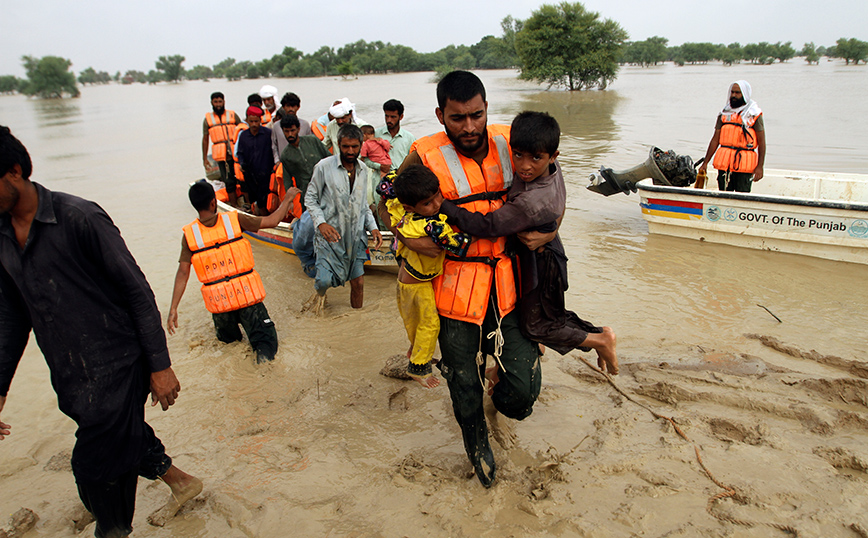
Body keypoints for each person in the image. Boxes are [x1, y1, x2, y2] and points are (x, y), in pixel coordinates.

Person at [0, 126, 202, 538]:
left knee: (95, 469)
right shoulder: (2, 237)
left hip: (119, 363)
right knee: (119, 440)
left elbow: (137, 292)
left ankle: (112, 528)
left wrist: (160, 367)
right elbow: (12, 317)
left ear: (14, 172)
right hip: (71, 374)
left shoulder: (79, 218)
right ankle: (180, 483)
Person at [379, 71, 554, 488]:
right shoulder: (423, 154)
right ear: (441, 114)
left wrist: (552, 229)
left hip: (508, 284)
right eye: (458, 118)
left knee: (525, 392)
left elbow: (553, 184)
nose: (470, 127)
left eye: (476, 115)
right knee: (462, 385)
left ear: (487, 108)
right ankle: (477, 447)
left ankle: (501, 399)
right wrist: (406, 236)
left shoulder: (511, 142)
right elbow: (385, 204)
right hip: (453, 290)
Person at [438, 111, 618, 375]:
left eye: (536, 158)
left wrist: (442, 205)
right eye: (518, 154)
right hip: (541, 250)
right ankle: (594, 336)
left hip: (544, 262)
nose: (524, 166)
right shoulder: (550, 169)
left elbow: (487, 226)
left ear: (552, 156)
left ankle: (599, 339)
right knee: (541, 314)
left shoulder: (532, 200)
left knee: (537, 325)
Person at [167, 180, 298, 364]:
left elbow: (183, 272)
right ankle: (262, 374)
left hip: (221, 307)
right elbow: (272, 221)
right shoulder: (234, 219)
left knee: (230, 348)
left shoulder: (190, 235)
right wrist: (288, 198)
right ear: (214, 202)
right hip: (246, 298)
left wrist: (173, 308)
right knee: (265, 345)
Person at [385, 165, 471, 388]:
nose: (436, 205)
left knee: (415, 322)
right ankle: (419, 368)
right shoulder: (432, 226)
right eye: (427, 203)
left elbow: (386, 190)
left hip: (406, 282)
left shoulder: (405, 215)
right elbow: (458, 246)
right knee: (430, 323)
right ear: (410, 205)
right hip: (418, 284)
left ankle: (416, 351)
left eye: (437, 197)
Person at [304, 124, 382, 314]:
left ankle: (357, 321)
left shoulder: (363, 170)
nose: (350, 151)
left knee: (359, 282)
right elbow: (310, 198)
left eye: (354, 147)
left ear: (361, 145)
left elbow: (363, 204)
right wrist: (321, 223)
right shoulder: (323, 167)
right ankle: (318, 300)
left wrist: (373, 228)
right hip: (330, 236)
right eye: (345, 146)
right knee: (323, 282)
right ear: (338, 144)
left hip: (355, 237)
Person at [699, 80, 766, 193]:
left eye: (738, 93)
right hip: (725, 165)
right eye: (732, 92)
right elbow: (715, 139)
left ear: (745, 94)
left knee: (742, 195)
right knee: (724, 193)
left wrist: (760, 166)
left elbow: (762, 142)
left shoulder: (754, 114)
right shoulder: (724, 114)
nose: (734, 95)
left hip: (744, 164)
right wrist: (705, 162)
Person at [202, 91, 242, 206]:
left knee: (242, 178)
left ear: (224, 101)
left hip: (236, 153)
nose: (218, 104)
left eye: (220, 101)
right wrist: (204, 159)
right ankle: (234, 205)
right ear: (212, 103)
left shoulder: (232, 115)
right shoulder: (208, 119)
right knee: (228, 181)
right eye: (216, 102)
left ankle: (246, 203)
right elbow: (205, 139)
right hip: (222, 157)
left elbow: (242, 130)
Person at [235, 106, 274, 214]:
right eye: (251, 121)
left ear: (260, 120)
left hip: (266, 173)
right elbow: (240, 153)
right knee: (253, 197)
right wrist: (242, 164)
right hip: (250, 174)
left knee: (265, 199)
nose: (254, 124)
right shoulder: (243, 136)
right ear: (247, 120)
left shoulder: (268, 134)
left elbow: (274, 150)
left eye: (256, 121)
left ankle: (266, 218)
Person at [375, 99, 416, 171]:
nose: (388, 120)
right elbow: (365, 159)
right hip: (379, 180)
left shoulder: (410, 139)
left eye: (393, 117)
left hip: (399, 180)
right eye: (386, 116)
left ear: (401, 117)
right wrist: (379, 166)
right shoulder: (376, 135)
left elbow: (413, 163)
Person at [272, 92, 312, 162]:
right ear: (283, 107)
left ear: (298, 107)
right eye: (288, 106)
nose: (291, 109)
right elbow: (274, 146)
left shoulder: (305, 125)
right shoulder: (276, 126)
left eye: (293, 106)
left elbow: (309, 145)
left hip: (301, 162)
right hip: (283, 163)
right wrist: (277, 161)